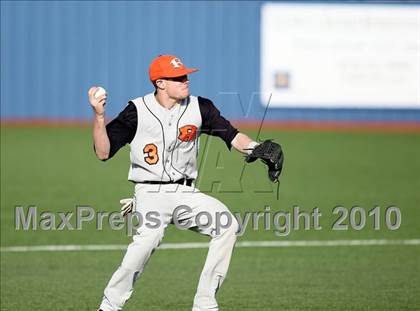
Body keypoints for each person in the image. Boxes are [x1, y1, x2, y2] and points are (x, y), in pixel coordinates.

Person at [88, 55, 282, 311]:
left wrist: (256, 148)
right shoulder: (136, 110)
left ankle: (205, 304)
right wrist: (100, 117)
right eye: (178, 77)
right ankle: (110, 305)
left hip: (185, 192)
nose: (185, 80)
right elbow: (103, 152)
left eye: (186, 75)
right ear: (160, 83)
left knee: (227, 226)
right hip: (150, 191)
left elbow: (234, 137)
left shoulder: (200, 107)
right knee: (147, 241)